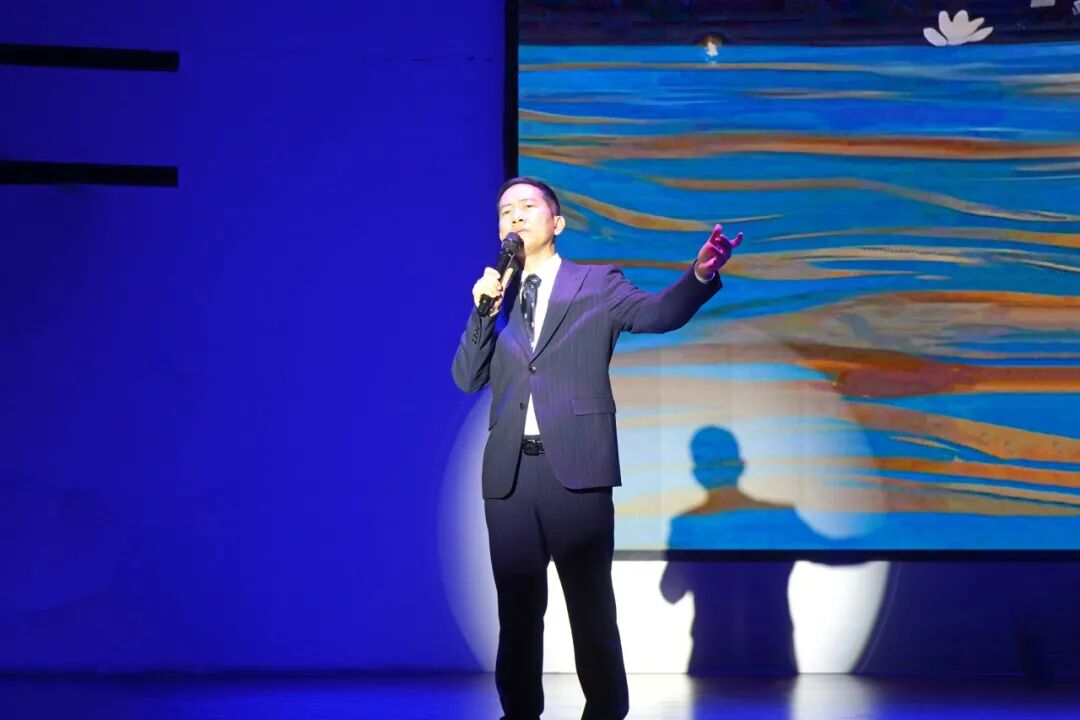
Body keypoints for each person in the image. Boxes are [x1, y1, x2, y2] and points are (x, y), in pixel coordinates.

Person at [452, 177, 742, 720]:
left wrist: (700, 275)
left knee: (590, 610)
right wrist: (482, 313)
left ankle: (606, 712)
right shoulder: (499, 298)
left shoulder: (595, 283)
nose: (515, 217)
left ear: (557, 223)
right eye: (505, 211)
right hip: (509, 479)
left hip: (577, 471)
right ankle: (518, 713)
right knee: (517, 614)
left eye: (527, 207)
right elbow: (467, 378)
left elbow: (657, 314)